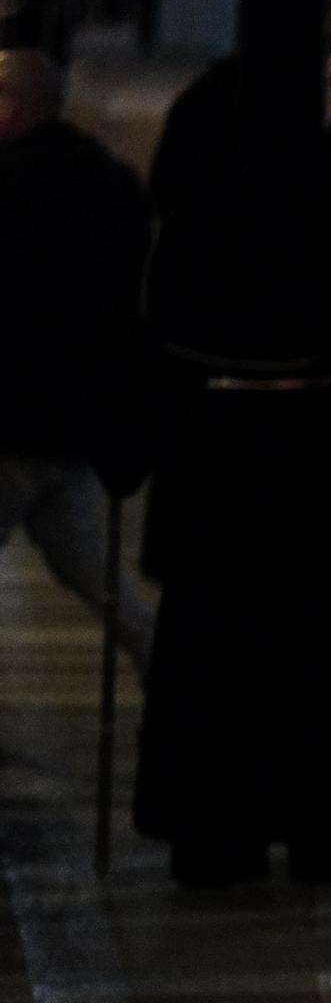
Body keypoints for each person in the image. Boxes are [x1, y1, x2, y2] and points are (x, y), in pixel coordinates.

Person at [133, 53, 331, 887]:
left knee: (220, 670)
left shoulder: (186, 248)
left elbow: (155, 369)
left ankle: (218, 840)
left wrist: (136, 450)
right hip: (321, 474)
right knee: (327, 670)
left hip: (218, 476)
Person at [0, 48, 155, 679]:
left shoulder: (6, 183)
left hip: (11, 417)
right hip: (81, 421)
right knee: (97, 574)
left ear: (13, 105)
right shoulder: (110, 181)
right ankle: (174, 682)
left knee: (92, 567)